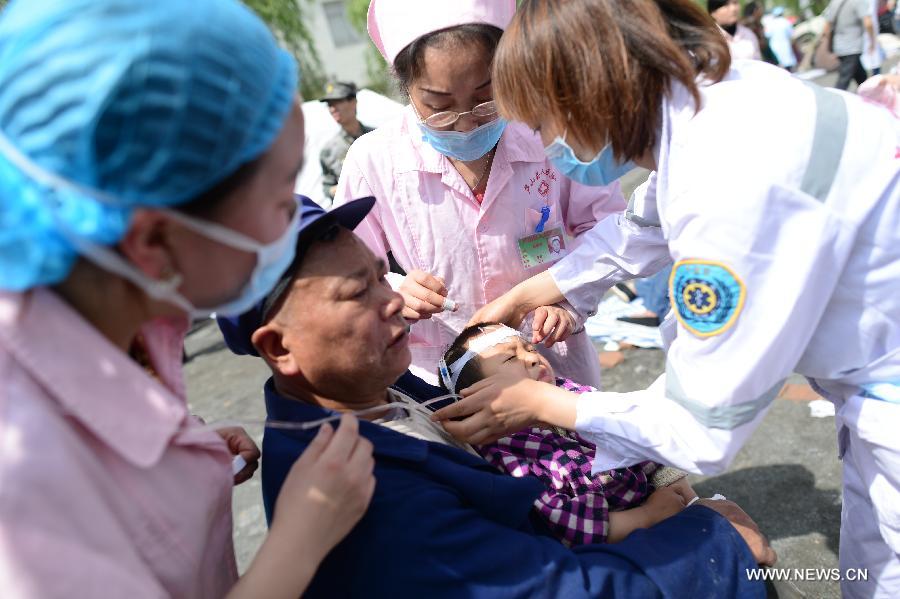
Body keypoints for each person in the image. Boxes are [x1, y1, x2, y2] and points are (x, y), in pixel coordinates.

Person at [428, 2, 900, 597]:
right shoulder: (721, 102)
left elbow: (698, 424)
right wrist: (532, 291)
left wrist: (545, 404)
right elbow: (644, 225)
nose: (547, 146)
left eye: (544, 124)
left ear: (587, 93)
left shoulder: (726, 188)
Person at [216, 196, 773, 598]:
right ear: (279, 348)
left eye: (383, 277)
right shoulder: (355, 487)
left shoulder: (364, 394)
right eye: (357, 292)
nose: (391, 301)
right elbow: (542, 590)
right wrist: (712, 544)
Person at [0, 1, 374, 596]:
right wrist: (299, 541)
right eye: (281, 196)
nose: (292, 220)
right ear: (154, 239)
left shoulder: (122, 318)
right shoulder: (23, 476)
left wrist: (173, 467)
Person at [333, 0, 630, 389]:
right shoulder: (374, 160)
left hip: (551, 363)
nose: (466, 123)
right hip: (445, 378)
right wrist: (390, 291)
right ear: (406, 88)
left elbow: (611, 227)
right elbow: (342, 268)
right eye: (438, 107)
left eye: (485, 100)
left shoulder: (548, 131)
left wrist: (569, 299)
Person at [437, 322, 695, 546]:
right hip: (614, 545)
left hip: (661, 501)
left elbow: (635, 432)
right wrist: (648, 516)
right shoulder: (504, 450)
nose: (532, 358)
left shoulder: (569, 392)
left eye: (530, 348)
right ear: (475, 393)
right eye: (510, 358)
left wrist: (677, 489)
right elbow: (562, 524)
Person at [319, 81, 373, 204]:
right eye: (329, 105)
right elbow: (327, 186)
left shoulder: (378, 136)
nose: (332, 109)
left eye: (337, 102)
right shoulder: (328, 151)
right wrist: (340, 190)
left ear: (353, 101)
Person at [822, 0, 877, 90]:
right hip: (852, 47)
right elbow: (868, 23)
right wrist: (872, 41)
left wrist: (829, 45)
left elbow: (827, 26)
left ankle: (870, 97)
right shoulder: (858, 2)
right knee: (843, 81)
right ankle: (834, 101)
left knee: (861, 77)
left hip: (839, 46)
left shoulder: (835, 2)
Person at [742, 1, 780, 65]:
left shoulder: (756, 24)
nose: (762, 11)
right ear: (755, 11)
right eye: (760, 8)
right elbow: (760, 45)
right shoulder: (750, 25)